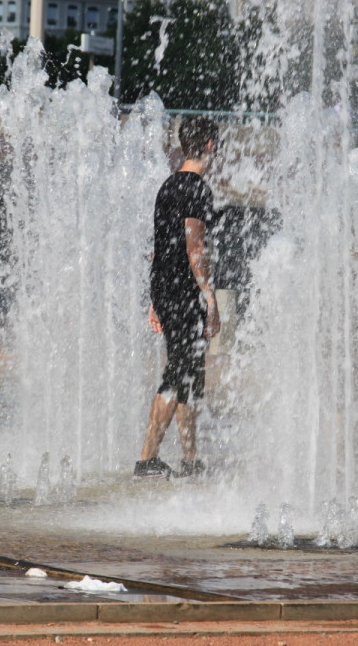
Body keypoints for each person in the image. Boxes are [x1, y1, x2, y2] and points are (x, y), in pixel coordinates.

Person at [135, 116, 221, 479]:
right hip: (186, 293)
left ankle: (190, 459)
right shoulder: (197, 188)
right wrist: (210, 298)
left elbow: (158, 250)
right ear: (210, 146)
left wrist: (154, 298)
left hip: (166, 289)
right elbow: (195, 247)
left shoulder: (167, 186)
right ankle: (147, 458)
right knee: (177, 374)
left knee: (191, 375)